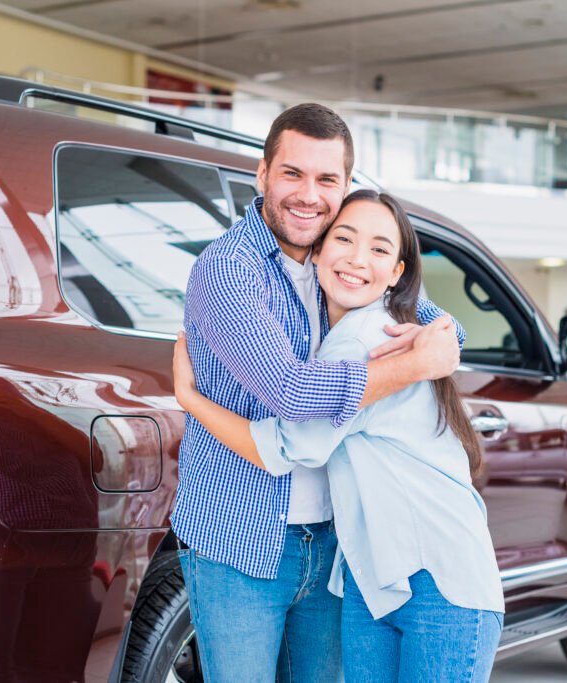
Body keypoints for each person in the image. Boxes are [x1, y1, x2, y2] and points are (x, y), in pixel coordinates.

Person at [173, 103, 466, 682]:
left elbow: (439, 328)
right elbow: (292, 393)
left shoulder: (346, 264)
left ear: (344, 187)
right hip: (241, 543)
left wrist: (446, 340)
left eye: (326, 179)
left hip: (335, 541)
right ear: (262, 176)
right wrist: (413, 366)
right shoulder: (230, 270)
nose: (308, 194)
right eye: (292, 174)